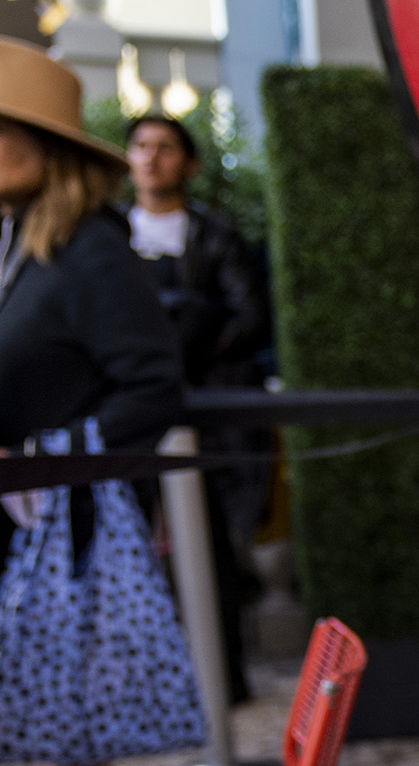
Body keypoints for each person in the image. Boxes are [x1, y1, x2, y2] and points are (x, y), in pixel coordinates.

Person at [0, 38, 186, 766]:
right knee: (46, 718)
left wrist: (35, 457)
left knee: (68, 725)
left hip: (54, 523)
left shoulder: (91, 250)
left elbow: (153, 389)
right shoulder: (14, 248)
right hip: (16, 524)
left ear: (49, 144)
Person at [124, 111, 270, 703]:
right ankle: (141, 684)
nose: (153, 158)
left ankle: (223, 675)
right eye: (141, 146)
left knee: (209, 546)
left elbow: (249, 314)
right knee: (124, 544)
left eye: (165, 147)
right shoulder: (105, 236)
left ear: (188, 163)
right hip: (130, 416)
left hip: (202, 416)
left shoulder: (215, 235)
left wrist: (191, 335)